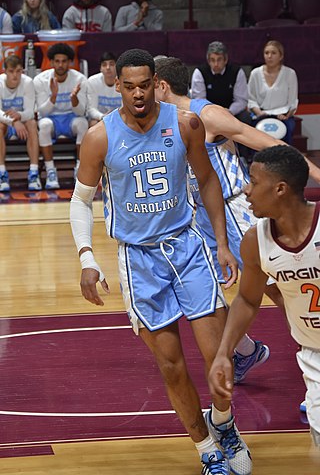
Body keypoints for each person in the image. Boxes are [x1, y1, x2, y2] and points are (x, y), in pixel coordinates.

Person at [70, 48, 252, 475]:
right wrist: (86, 258)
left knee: (218, 354)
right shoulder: (100, 136)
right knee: (171, 366)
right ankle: (207, 449)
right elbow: (80, 202)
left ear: (157, 84)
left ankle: (223, 422)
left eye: (144, 85)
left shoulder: (186, 124)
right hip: (139, 259)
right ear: (118, 87)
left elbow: (206, 180)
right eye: (128, 86)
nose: (137, 93)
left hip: (188, 249)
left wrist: (222, 244)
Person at [155, 56, 287, 383]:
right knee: (198, 289)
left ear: (161, 84)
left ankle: (312, 351)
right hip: (206, 216)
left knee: (281, 291)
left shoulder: (206, 113)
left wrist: (310, 172)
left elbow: (258, 140)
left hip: (236, 210)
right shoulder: (170, 120)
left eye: (148, 84)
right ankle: (244, 350)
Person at [209, 145, 320, 449]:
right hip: (314, 356)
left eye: (255, 182)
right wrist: (224, 352)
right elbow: (247, 300)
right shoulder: (255, 241)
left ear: (280, 189)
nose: (247, 190)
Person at [33, 43, 88, 189]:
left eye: (64, 61)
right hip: (51, 118)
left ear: (70, 62)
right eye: (57, 61)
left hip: (71, 117)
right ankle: (51, 171)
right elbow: (41, 112)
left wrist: (74, 98)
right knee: (43, 125)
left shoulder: (80, 79)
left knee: (83, 124)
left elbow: (81, 112)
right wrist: (54, 96)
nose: (60, 65)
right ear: (51, 62)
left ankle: (80, 169)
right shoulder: (40, 80)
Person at [191, 41, 253, 162]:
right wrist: (216, 113)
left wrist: (228, 112)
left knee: (245, 117)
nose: (216, 64)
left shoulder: (236, 72)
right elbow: (199, 99)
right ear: (208, 60)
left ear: (225, 60)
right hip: (208, 111)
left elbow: (241, 100)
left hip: (231, 111)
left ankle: (244, 157)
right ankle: (205, 157)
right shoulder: (200, 72)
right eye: (212, 60)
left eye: (219, 60)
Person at [0, 55, 41, 192]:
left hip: (24, 122)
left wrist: (20, 117)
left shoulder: (28, 82)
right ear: (5, 71)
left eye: (18, 71)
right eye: (11, 71)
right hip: (6, 123)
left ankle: (34, 173)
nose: (15, 75)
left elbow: (30, 111)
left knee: (32, 123)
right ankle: (2, 174)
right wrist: (14, 121)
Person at [247, 40, 298, 145]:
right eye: (266, 53)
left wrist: (286, 115)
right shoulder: (255, 73)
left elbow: (293, 101)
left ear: (281, 56)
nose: (269, 56)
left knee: (286, 130)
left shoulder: (290, 74)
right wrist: (259, 113)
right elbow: (251, 99)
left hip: (283, 115)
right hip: (261, 114)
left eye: (273, 53)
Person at [86, 52, 122, 127]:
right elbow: (91, 109)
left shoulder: (124, 81)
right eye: (104, 65)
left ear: (117, 67)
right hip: (100, 118)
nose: (108, 67)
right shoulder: (92, 81)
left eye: (111, 64)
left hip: (121, 118)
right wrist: (102, 117)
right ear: (100, 68)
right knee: (93, 124)